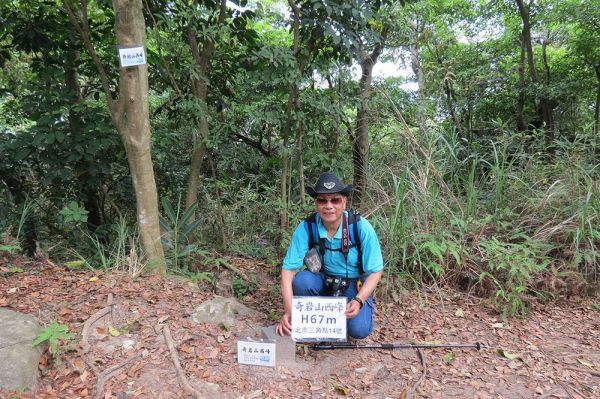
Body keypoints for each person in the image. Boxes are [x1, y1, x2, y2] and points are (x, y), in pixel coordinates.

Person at [276, 172, 384, 339]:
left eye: (335, 200)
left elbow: (376, 271)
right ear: (316, 204)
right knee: (302, 280)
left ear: (344, 202)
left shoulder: (360, 227)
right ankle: (320, 314)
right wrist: (290, 311)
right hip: (323, 279)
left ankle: (351, 309)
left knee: (359, 330)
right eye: (322, 200)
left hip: (353, 284)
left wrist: (359, 300)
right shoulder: (307, 227)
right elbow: (288, 271)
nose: (329, 206)